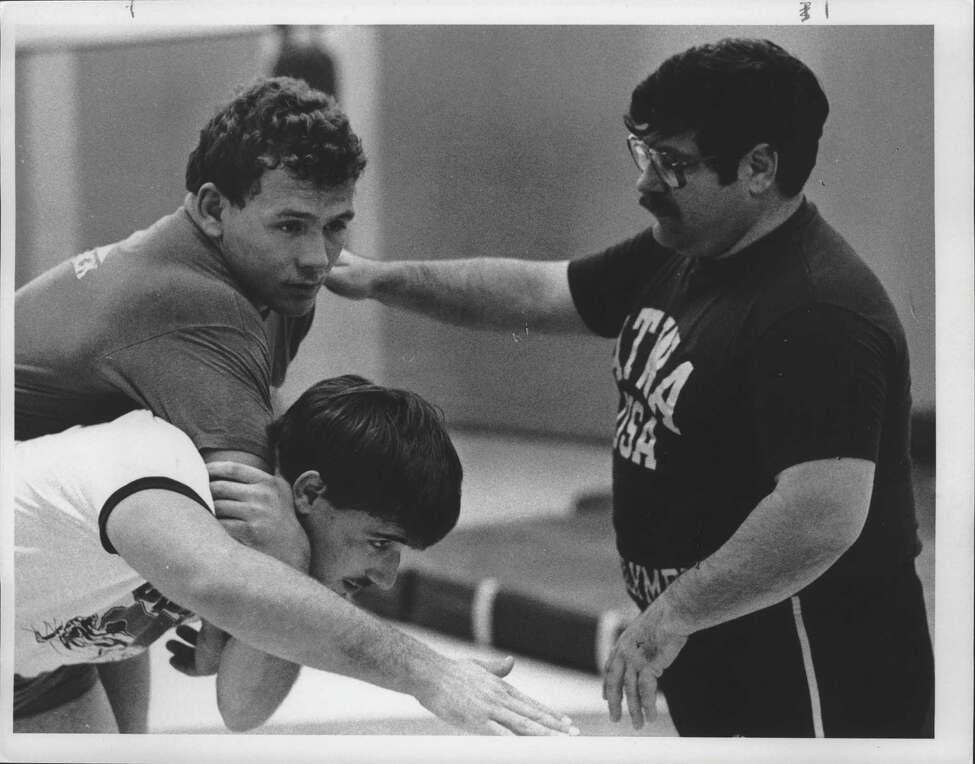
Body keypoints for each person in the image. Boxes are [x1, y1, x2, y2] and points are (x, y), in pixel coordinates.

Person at [323, 38, 934, 737]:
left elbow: (820, 516)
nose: (645, 185)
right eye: (642, 154)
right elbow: (534, 293)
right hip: (716, 637)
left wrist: (670, 615)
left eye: (672, 165)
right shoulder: (689, 252)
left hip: (813, 665)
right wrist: (376, 279)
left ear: (758, 167)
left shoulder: (818, 310)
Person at [13, 76, 572, 736]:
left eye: (335, 227)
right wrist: (427, 672)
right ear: (213, 208)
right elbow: (250, 564)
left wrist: (226, 614)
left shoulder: (270, 280)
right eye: (290, 226)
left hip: (74, 541)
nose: (315, 259)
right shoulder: (194, 309)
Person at [14, 375, 578, 736]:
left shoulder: (272, 542)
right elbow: (212, 582)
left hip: (38, 670)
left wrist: (287, 562)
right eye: (380, 542)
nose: (385, 577)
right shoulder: (158, 468)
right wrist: (428, 674)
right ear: (308, 492)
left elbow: (241, 709)